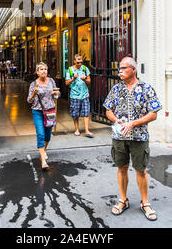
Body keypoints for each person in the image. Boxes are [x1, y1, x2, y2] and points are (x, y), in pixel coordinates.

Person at [103, 56, 162, 221]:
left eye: (123, 68)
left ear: (133, 70)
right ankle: (123, 200)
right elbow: (108, 110)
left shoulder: (146, 88)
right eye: (119, 68)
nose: (119, 71)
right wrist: (116, 120)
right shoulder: (116, 89)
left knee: (141, 170)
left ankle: (145, 203)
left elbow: (154, 114)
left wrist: (134, 123)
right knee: (121, 168)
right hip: (119, 136)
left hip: (139, 136)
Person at [27, 62, 60, 170]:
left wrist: (56, 94)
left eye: (45, 69)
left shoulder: (51, 81)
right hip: (37, 112)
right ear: (37, 72)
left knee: (48, 135)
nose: (44, 71)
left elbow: (57, 94)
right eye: (41, 69)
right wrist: (34, 93)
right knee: (40, 134)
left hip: (50, 111)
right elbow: (29, 100)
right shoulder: (33, 84)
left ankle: (43, 150)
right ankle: (43, 160)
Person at [65, 54, 93, 138]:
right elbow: (66, 83)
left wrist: (85, 79)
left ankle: (87, 130)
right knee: (75, 114)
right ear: (74, 61)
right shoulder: (70, 70)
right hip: (74, 95)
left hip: (84, 94)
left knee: (86, 112)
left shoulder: (85, 69)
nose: (80, 64)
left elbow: (89, 81)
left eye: (81, 62)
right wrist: (73, 78)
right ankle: (77, 129)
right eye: (78, 62)